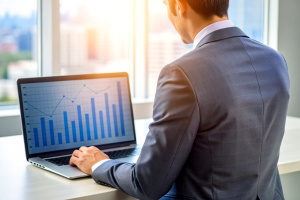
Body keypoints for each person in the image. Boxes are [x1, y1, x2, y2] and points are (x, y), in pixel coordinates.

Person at [69, 0, 290, 199]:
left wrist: (99, 163)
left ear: (178, 5)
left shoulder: (182, 73)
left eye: (165, 5)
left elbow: (147, 183)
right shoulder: (275, 59)